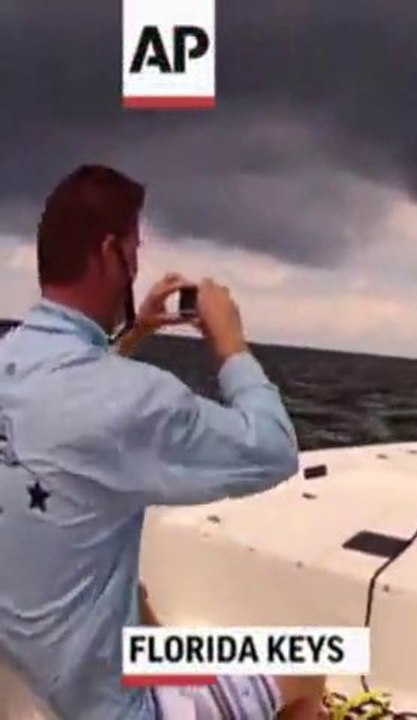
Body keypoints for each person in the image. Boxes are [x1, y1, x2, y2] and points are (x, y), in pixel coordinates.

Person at [0, 165, 327, 719]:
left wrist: (135, 332)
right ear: (112, 253)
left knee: (142, 598)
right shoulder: (138, 401)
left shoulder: (13, 361)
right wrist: (231, 344)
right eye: (134, 248)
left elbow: (70, 405)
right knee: (307, 664)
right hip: (106, 705)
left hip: (28, 672)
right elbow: (272, 449)